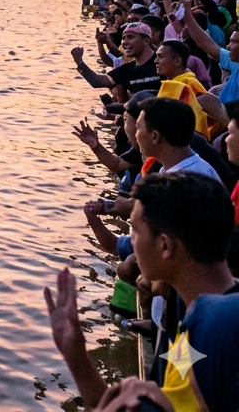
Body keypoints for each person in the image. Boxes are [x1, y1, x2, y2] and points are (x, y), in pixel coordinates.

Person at [45, 172, 238, 411]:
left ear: (165, 246)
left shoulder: (216, 325)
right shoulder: (181, 306)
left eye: (135, 231)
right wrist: (76, 356)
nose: (131, 242)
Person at [73, 22, 162, 99]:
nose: (125, 42)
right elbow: (97, 81)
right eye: (123, 38)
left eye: (130, 37)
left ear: (146, 41)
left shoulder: (162, 62)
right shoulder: (127, 69)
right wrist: (80, 62)